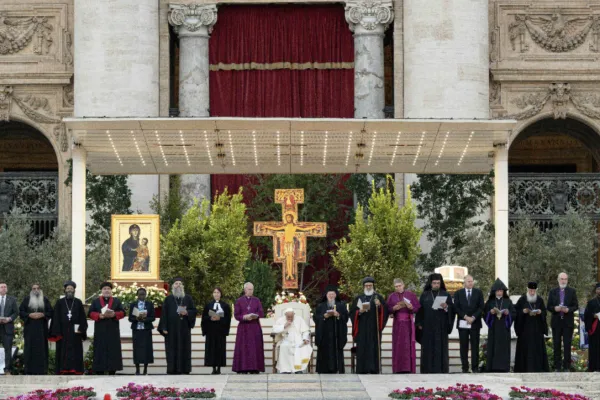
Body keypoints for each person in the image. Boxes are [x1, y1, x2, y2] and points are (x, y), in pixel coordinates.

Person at [416, 273, 455, 373]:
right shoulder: (425, 295)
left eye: (438, 283)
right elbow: (420, 310)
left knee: (440, 349)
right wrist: (419, 323)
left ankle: (441, 369)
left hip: (440, 327)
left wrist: (446, 307)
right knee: (428, 349)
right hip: (427, 327)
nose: (436, 285)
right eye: (434, 283)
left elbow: (451, 310)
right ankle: (426, 370)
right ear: (431, 283)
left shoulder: (445, 294)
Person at [158, 277, 197, 374]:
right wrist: (164, 327)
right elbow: (164, 314)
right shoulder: (168, 299)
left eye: (180, 283)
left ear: (183, 286)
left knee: (184, 349)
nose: (178, 285)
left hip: (184, 329)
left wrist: (187, 312)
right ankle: (172, 369)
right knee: (171, 350)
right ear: (173, 286)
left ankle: (185, 369)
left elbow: (194, 311)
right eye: (176, 283)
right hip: (171, 330)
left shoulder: (188, 298)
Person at [350, 277, 388, 374]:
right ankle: (361, 369)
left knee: (373, 348)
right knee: (362, 347)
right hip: (362, 327)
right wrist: (359, 312)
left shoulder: (378, 297)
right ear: (363, 286)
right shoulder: (359, 298)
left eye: (370, 285)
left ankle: (373, 369)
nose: (368, 287)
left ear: (373, 286)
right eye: (366, 285)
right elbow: (352, 312)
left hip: (374, 328)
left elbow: (385, 312)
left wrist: (379, 306)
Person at [49, 280, 88, 374]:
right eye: (68, 288)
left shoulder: (78, 302)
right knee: (62, 351)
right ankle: (62, 370)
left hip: (75, 333)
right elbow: (55, 318)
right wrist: (57, 332)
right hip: (63, 333)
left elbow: (83, 317)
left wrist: (81, 329)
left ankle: (76, 370)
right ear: (65, 290)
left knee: (76, 351)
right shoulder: (60, 302)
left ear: (74, 290)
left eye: (71, 288)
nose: (69, 290)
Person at [88, 282, 125, 375]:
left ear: (111, 290)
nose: (106, 290)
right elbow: (90, 313)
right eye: (104, 289)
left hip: (113, 331)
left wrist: (114, 314)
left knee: (113, 350)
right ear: (101, 291)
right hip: (100, 331)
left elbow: (123, 312)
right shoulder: (95, 301)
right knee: (100, 350)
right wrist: (99, 315)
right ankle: (100, 370)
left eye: (108, 289)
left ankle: (113, 370)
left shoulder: (117, 301)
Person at [387, 278, 420, 374]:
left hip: (408, 324)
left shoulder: (411, 295)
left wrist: (411, 307)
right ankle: (398, 368)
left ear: (403, 285)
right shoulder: (392, 296)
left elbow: (417, 307)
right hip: (397, 324)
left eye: (399, 286)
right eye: (396, 286)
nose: (398, 288)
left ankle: (408, 368)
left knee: (408, 345)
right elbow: (387, 309)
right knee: (398, 346)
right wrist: (393, 308)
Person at [547, 272, 579, 372]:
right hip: (556, 322)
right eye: (561, 279)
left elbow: (576, 306)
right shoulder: (553, 291)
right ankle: (557, 367)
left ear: (567, 280)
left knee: (567, 345)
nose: (563, 281)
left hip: (567, 322)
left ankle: (566, 367)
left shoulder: (572, 291)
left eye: (565, 279)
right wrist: (555, 309)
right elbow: (549, 306)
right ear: (558, 280)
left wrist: (568, 310)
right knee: (556, 345)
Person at [514, 282, 549, 372]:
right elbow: (516, 312)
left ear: (536, 290)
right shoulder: (522, 300)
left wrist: (540, 312)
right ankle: (524, 369)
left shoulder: (540, 300)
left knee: (537, 351)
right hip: (525, 331)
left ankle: (538, 368)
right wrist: (523, 311)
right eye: (530, 290)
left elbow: (545, 313)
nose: (532, 292)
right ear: (527, 289)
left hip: (537, 331)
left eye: (534, 291)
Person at [19, 283, 53, 375]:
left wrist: (43, 314)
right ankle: (29, 370)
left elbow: (50, 311)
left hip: (42, 330)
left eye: (38, 288)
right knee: (29, 348)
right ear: (31, 290)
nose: (36, 290)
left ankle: (42, 370)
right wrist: (29, 315)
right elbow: (21, 311)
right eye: (34, 289)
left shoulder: (45, 299)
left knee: (42, 349)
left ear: (40, 289)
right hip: (30, 330)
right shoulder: (26, 300)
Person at [453, 275, 484, 373]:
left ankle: (475, 368)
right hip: (463, 323)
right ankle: (465, 368)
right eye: (469, 281)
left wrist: (473, 317)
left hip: (475, 323)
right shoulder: (458, 293)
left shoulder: (478, 292)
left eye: (472, 281)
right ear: (464, 283)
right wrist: (465, 317)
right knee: (464, 346)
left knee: (475, 346)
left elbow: (481, 307)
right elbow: (456, 307)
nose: (471, 283)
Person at [314, 285, 348, 374]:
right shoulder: (321, 306)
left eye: (333, 294)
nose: (331, 296)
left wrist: (338, 315)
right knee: (324, 351)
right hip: (324, 334)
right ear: (326, 295)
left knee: (336, 350)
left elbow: (346, 318)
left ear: (336, 295)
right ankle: (323, 369)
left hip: (337, 334)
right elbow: (316, 318)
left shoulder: (341, 305)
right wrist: (324, 316)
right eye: (329, 294)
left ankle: (337, 369)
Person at [484, 278, 515, 372]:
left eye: (501, 290)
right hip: (494, 328)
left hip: (504, 329)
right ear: (494, 291)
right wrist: (490, 312)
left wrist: (508, 313)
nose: (499, 292)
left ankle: (504, 367)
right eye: (498, 290)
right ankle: (492, 367)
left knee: (504, 348)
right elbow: (484, 314)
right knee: (493, 347)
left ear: (503, 291)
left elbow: (514, 313)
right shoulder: (490, 302)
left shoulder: (508, 301)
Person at [232, 282, 265, 374]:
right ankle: (242, 368)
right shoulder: (239, 300)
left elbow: (261, 312)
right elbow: (236, 315)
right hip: (244, 328)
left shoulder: (256, 300)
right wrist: (244, 317)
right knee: (243, 347)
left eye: (252, 289)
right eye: (249, 289)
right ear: (245, 289)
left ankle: (255, 368)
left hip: (255, 327)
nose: (251, 291)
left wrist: (255, 315)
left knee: (255, 348)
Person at [201, 287, 231, 375]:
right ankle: (213, 367)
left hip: (220, 331)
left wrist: (220, 319)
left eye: (218, 292)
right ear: (212, 294)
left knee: (220, 349)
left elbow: (228, 318)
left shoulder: (225, 306)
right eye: (214, 292)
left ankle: (219, 368)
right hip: (211, 331)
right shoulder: (208, 305)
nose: (216, 294)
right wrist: (210, 318)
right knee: (212, 350)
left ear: (221, 294)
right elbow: (204, 318)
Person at [272, 308, 312, 374]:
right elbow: (274, 330)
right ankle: (285, 370)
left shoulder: (299, 319)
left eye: (291, 316)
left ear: (294, 314)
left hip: (298, 339)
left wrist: (305, 338)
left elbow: (306, 331)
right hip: (285, 339)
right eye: (288, 316)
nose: (290, 318)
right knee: (284, 347)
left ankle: (298, 369)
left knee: (300, 347)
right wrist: (284, 326)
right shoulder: (281, 320)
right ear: (285, 315)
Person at [128, 287, 155, 375]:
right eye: (140, 294)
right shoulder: (133, 304)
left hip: (146, 330)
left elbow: (153, 317)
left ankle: (145, 369)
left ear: (145, 295)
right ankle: (137, 369)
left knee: (146, 349)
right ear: (137, 295)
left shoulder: (149, 304)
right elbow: (130, 318)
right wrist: (136, 318)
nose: (142, 296)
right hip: (136, 330)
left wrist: (144, 319)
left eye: (143, 294)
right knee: (137, 350)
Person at [0, 282, 18, 375]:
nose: (3, 288)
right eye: (1, 287)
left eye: (5, 287)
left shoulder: (12, 300)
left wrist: (9, 319)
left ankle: (7, 370)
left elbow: (16, 312)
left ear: (7, 289)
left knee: (8, 349)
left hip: (8, 327)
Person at [584, 282, 600, 372]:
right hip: (595, 330)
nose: (599, 291)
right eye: (598, 289)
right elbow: (586, 315)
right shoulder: (591, 302)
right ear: (596, 291)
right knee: (594, 348)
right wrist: (594, 316)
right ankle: (594, 367)